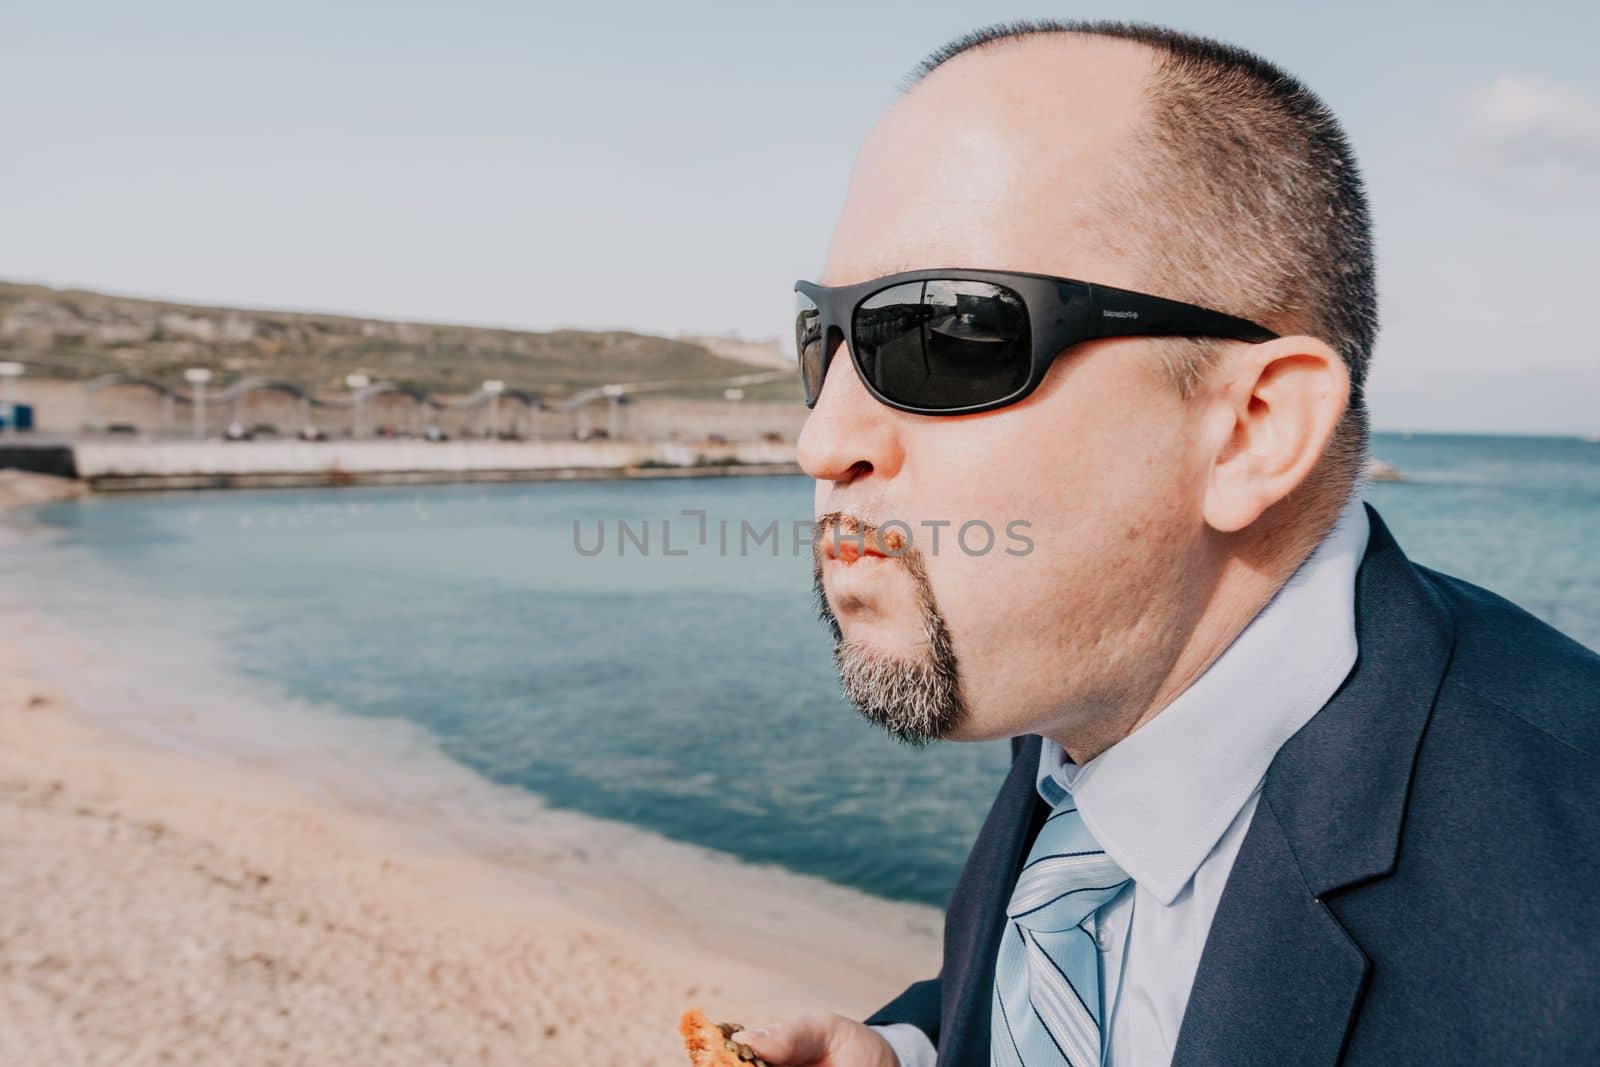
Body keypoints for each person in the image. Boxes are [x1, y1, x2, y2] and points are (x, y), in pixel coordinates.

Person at [730, 19, 1600, 1067]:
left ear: (1252, 429)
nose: (821, 437)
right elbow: (1097, 952)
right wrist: (917, 1047)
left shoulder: (1566, 911)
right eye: (821, 340)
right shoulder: (1100, 677)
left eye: (946, 332)